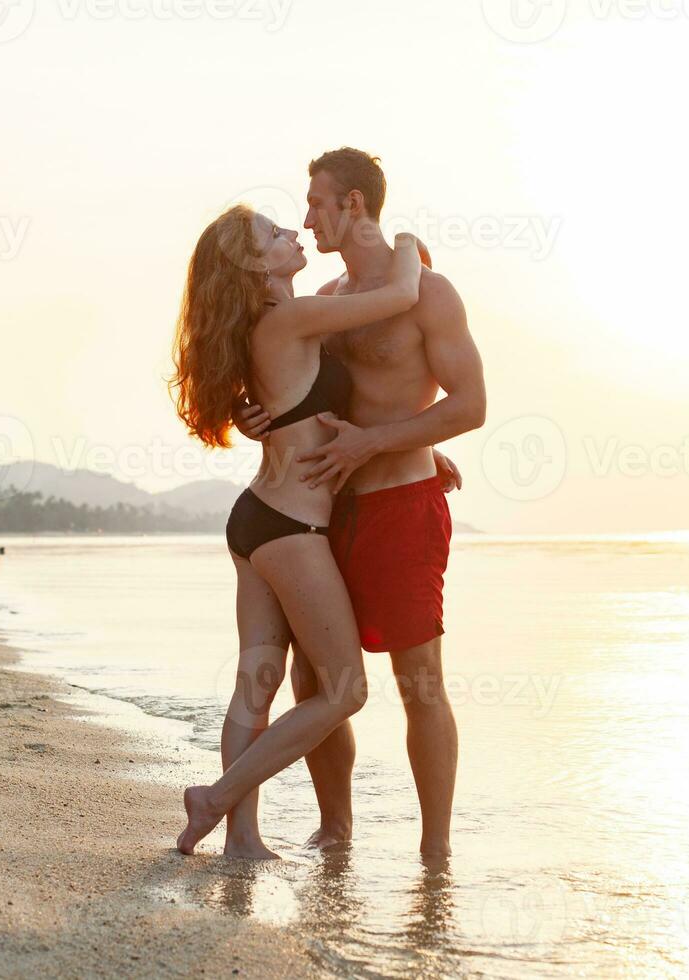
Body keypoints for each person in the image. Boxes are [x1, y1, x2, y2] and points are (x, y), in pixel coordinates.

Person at [236, 149, 486, 858]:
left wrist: (384, 445)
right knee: (317, 677)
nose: (306, 217)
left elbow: (471, 405)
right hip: (329, 512)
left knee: (420, 685)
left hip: (402, 508)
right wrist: (255, 412)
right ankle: (336, 828)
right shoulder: (335, 295)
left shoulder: (429, 292)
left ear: (352, 205)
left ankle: (435, 852)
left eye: (315, 203)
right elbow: (297, 386)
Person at [169, 203, 431, 859]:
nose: (291, 233)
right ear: (255, 265)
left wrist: (412, 449)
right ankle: (217, 798)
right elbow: (402, 291)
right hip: (290, 528)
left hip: (257, 520)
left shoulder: (272, 325)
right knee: (345, 690)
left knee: (256, 684)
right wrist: (405, 238)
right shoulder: (290, 317)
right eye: (274, 234)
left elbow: (316, 412)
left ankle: (243, 841)